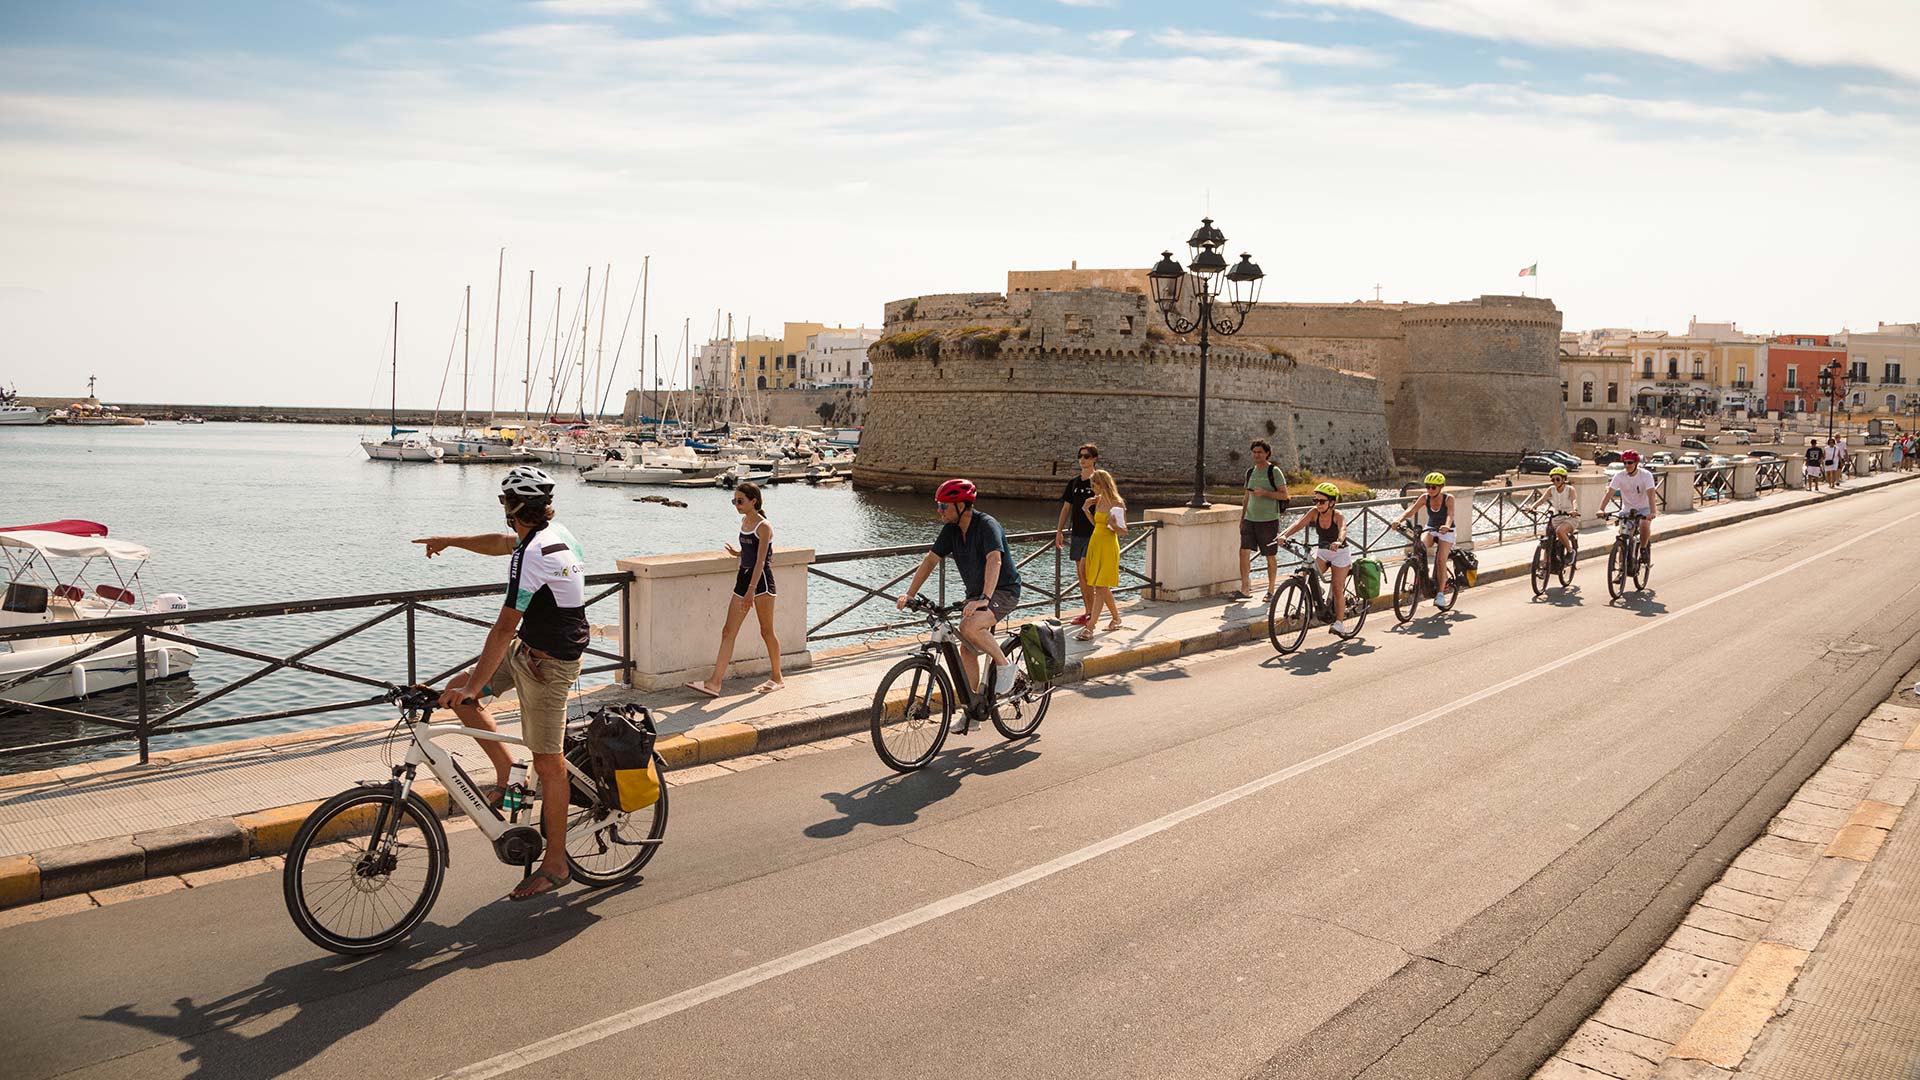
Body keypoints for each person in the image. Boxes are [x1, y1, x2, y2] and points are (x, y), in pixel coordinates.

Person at [412, 465, 587, 902]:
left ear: (514, 507)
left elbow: (503, 627)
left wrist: (477, 687)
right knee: (461, 691)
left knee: (548, 764)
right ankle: (507, 769)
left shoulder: (536, 554)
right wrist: (450, 540)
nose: (502, 511)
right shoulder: (543, 536)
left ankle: (557, 863)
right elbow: (499, 544)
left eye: (503, 503)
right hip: (528, 652)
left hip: (550, 668)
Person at [897, 479, 1022, 731]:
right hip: (975, 594)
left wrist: (984, 599)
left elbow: (994, 561)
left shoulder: (987, 525)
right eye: (939, 506)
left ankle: (1004, 664)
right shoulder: (951, 531)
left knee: (971, 626)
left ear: (962, 505)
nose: (939, 511)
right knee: (967, 649)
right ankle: (973, 710)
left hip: (1002, 590)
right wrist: (909, 594)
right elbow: (931, 560)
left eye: (944, 506)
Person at [685, 482, 782, 698]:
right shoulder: (745, 522)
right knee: (728, 631)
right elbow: (750, 551)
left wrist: (751, 590)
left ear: (753, 501)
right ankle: (714, 683)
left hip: (761, 581)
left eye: (740, 501)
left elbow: (761, 561)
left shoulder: (764, 526)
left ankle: (777, 677)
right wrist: (738, 554)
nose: (736, 505)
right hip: (743, 578)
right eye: (734, 501)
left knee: (766, 631)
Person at [1278, 481, 1353, 635]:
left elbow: (1343, 528)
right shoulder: (1314, 512)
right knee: (1306, 571)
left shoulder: (1337, 515)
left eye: (1322, 501)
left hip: (1340, 553)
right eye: (1316, 500)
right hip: (1323, 553)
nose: (1318, 504)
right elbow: (1298, 524)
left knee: (1338, 588)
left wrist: (1338, 541)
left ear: (1332, 503)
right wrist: (1284, 535)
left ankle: (1339, 623)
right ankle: (1316, 596)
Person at [1231, 439, 1288, 601]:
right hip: (1250, 519)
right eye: (1254, 452)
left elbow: (1285, 495)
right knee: (1243, 552)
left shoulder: (1274, 471)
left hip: (1269, 520)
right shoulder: (1250, 472)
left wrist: (1265, 493)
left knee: (1270, 556)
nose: (1256, 455)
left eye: (1260, 452)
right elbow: (1246, 497)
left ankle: (1271, 590)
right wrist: (1242, 519)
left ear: (1267, 454)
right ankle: (1245, 589)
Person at [1076, 468, 1128, 640]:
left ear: (1101, 484)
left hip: (1107, 546)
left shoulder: (1117, 503)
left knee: (1100, 587)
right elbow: (1096, 523)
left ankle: (1090, 628)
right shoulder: (1097, 500)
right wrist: (1085, 510)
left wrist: (1114, 524)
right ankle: (1116, 618)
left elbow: (1123, 531)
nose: (1092, 488)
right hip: (1095, 543)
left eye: (1093, 485)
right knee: (1101, 585)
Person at [1392, 472, 1457, 605]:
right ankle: (1423, 574)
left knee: (1440, 560)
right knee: (1419, 548)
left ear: (1441, 487)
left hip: (1447, 531)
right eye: (1428, 487)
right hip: (1432, 528)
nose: (1430, 490)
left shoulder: (1448, 498)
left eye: (1433, 487)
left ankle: (1440, 594)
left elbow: (1450, 515)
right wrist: (1398, 520)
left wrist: (1446, 525)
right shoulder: (1425, 497)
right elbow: (1411, 510)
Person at [1053, 443, 1099, 628]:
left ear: (1095, 459)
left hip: (1095, 533)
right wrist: (1059, 531)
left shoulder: (1099, 481)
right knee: (1081, 576)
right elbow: (1066, 508)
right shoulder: (1074, 483)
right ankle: (1088, 612)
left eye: (1087, 456)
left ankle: (1092, 613)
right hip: (1077, 533)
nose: (1082, 459)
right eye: (1080, 456)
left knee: (1085, 572)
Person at [1600, 450, 1658, 566]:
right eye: (1625, 463)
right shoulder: (1619, 475)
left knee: (1644, 525)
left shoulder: (1646, 475)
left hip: (1644, 508)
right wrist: (1601, 509)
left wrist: (1652, 512)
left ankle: (1642, 548)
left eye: (1630, 463)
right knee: (1624, 537)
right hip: (1627, 509)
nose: (1627, 466)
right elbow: (1610, 493)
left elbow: (1651, 494)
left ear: (1636, 463)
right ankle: (1621, 569)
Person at [1521, 466, 1578, 558]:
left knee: (1560, 531)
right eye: (1553, 479)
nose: (1555, 482)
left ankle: (1570, 551)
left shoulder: (1570, 489)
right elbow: (1542, 500)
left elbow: (1574, 500)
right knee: (1548, 539)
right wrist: (1532, 507)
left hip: (1569, 517)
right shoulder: (1551, 489)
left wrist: (1574, 510)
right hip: (1556, 517)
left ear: (1564, 479)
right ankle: (1545, 564)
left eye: (1558, 479)